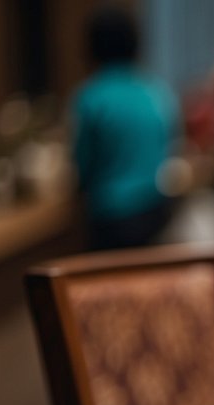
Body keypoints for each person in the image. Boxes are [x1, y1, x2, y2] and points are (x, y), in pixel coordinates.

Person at [70, 5, 180, 251]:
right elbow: (169, 145)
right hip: (155, 210)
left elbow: (83, 165)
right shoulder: (155, 90)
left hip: (110, 218)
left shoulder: (92, 97)